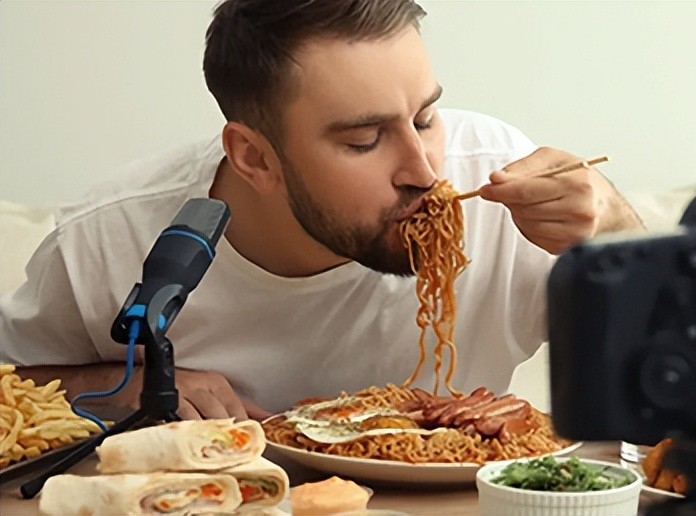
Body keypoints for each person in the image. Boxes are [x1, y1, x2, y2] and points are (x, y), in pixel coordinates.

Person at [0, 0, 644, 421]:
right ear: (254, 157)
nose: (423, 170)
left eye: (425, 118)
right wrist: (111, 387)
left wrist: (618, 234)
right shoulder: (114, 237)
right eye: (363, 140)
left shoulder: (503, 179)